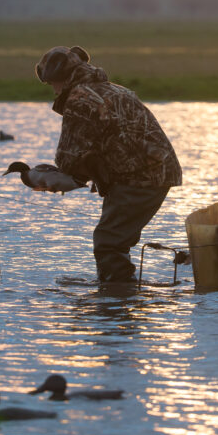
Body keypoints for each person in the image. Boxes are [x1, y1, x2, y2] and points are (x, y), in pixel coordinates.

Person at [36, 45, 181, 283]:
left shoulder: (80, 97)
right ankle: (118, 292)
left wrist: (44, 178)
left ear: (60, 78)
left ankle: (117, 299)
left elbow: (68, 158)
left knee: (108, 242)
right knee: (112, 238)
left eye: (51, 83)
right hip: (153, 172)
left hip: (141, 177)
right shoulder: (112, 89)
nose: (53, 89)